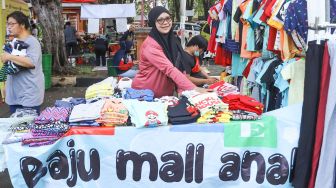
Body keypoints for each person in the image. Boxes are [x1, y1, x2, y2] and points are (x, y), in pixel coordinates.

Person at [131, 6, 208, 97]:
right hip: (145, 94)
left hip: (166, 95)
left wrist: (182, 89)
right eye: (160, 20)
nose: (166, 22)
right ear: (153, 23)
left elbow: (179, 66)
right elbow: (170, 69)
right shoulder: (151, 45)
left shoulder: (172, 40)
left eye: (168, 18)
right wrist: (194, 89)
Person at [0, 11, 44, 114]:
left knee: (28, 128)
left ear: (22, 25)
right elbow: (8, 66)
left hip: (29, 96)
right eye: (8, 24)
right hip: (14, 96)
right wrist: (5, 86)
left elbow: (31, 62)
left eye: (12, 24)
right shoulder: (12, 42)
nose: (9, 27)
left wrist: (9, 56)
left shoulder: (32, 42)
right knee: (15, 128)